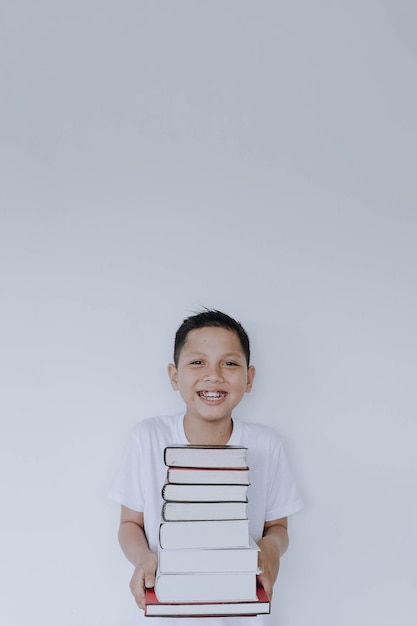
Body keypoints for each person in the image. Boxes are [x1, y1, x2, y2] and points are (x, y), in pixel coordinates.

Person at [108, 309, 303, 625]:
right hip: (165, 611)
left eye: (230, 363)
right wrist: (143, 558)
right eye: (198, 362)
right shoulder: (147, 437)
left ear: (249, 377)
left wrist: (270, 550)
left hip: (240, 613)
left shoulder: (267, 444)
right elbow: (130, 523)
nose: (214, 375)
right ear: (174, 375)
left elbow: (278, 528)